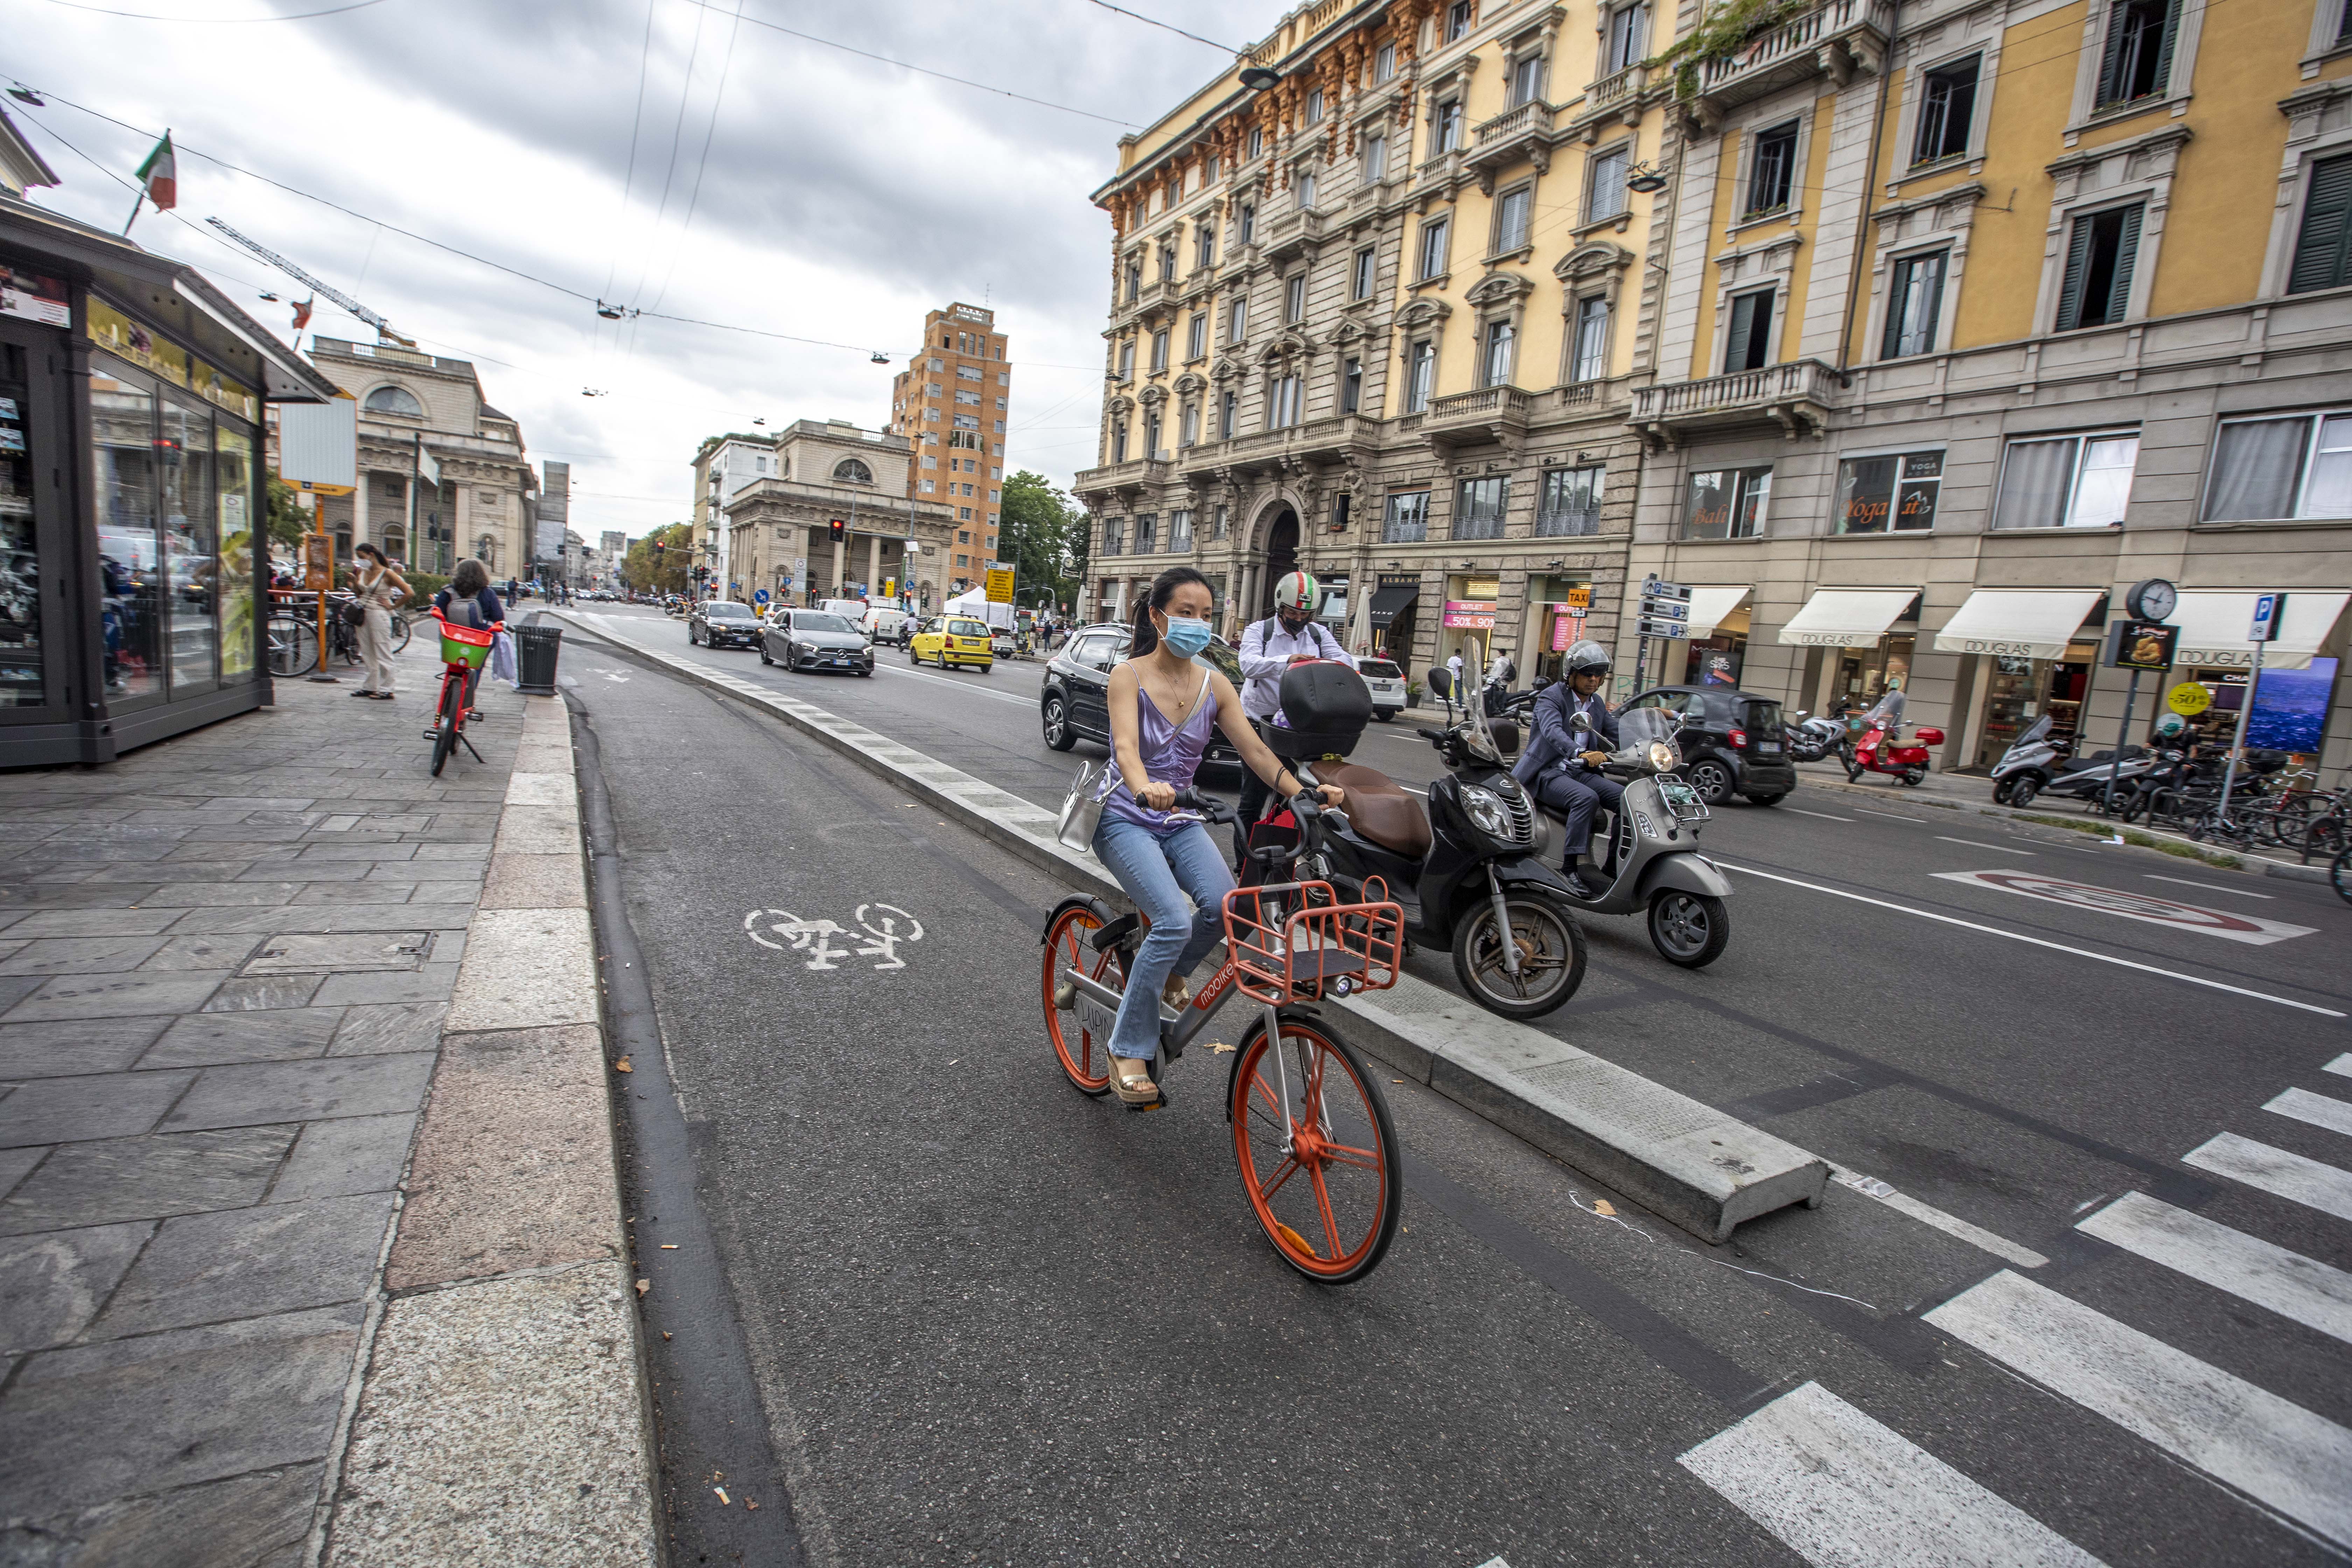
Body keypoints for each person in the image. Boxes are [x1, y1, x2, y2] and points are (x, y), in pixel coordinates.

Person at [1092, 566, 1345, 1105]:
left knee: (1226, 908)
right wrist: (1144, 788)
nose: (1197, 625)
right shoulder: (1128, 676)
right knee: (1172, 919)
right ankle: (1127, 1048)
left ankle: (1162, 975)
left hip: (1182, 819)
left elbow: (1256, 751)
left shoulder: (1216, 682)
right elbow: (1127, 752)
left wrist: (1303, 790)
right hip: (1127, 816)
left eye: (1206, 616)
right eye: (1185, 613)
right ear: (1158, 616)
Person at [1231, 571, 1353, 870]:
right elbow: (1248, 665)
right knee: (1252, 799)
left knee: (1288, 797)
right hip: (1259, 723)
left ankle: (1275, 859)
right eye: (1293, 612)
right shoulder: (1260, 631)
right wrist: (1287, 662)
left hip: (1295, 728)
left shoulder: (1319, 634)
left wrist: (1321, 664)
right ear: (1279, 606)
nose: (1299, 618)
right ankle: (1242, 865)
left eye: (1305, 613)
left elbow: (1345, 660)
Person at [1513, 639, 1622, 897]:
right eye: (1587, 674)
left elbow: (1615, 730)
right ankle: (1570, 869)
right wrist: (1579, 752)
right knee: (1586, 799)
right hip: (1548, 771)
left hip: (1581, 772)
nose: (1593, 680)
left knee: (1627, 799)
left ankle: (1613, 867)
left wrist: (1649, 745)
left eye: (1599, 674)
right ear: (1571, 674)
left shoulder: (1596, 703)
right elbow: (1553, 732)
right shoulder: (1551, 697)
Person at [432, 559, 506, 720]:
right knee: (475, 668)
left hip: (454, 636)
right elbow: (499, 617)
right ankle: (468, 702)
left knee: (454, 664)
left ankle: (449, 695)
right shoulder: (488, 593)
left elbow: (439, 611)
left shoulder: (448, 592)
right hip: (480, 639)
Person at [350, 544, 407, 702]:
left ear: (371, 555)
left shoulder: (387, 573)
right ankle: (370, 686)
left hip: (379, 614)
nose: (361, 561)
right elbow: (359, 592)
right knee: (367, 651)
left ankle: (388, 688)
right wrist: (354, 582)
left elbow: (409, 592)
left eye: (362, 557)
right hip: (363, 613)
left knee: (382, 650)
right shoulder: (362, 572)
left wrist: (393, 606)